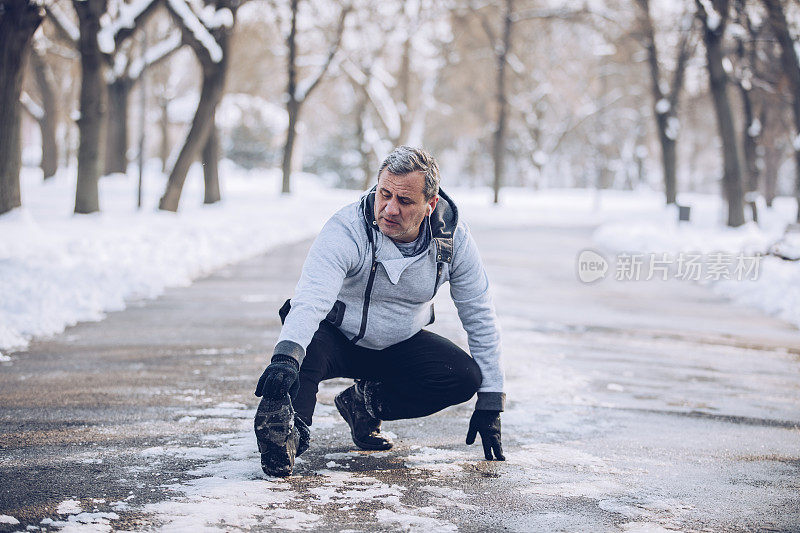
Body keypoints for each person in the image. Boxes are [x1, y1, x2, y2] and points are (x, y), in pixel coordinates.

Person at [253, 146, 505, 477]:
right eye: (384, 194)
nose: (389, 208)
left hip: (399, 344)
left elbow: (479, 315)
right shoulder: (347, 228)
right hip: (334, 339)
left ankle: (363, 403)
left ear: (429, 205)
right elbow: (312, 297)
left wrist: (491, 399)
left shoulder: (451, 241)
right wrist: (285, 358)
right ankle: (288, 433)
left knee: (463, 377)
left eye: (405, 201)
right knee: (303, 347)